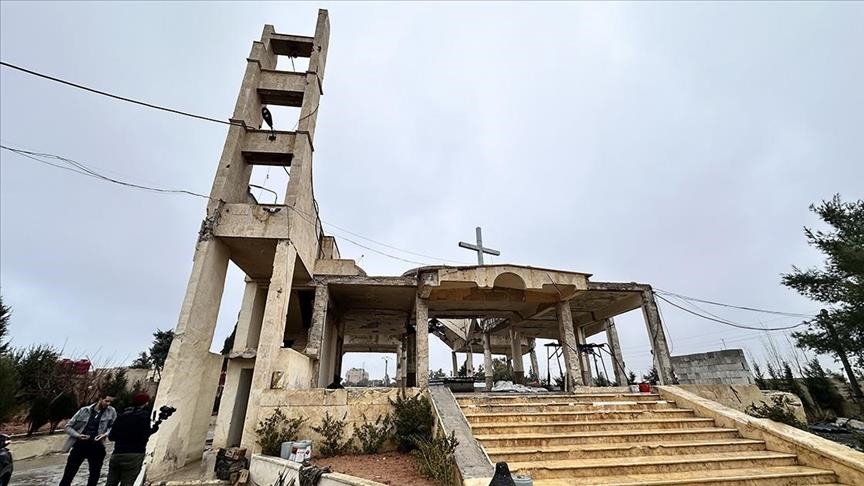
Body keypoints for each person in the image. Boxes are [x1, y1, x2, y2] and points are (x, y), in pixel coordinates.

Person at [59, 393, 116, 486]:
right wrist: (78, 435)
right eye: (107, 401)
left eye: (110, 402)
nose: (108, 404)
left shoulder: (111, 411)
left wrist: (104, 434)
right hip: (80, 445)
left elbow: (113, 427)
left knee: (94, 474)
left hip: (97, 446)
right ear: (100, 399)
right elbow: (68, 427)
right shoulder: (84, 410)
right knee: (69, 473)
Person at [106, 393, 159, 486]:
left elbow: (111, 436)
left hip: (117, 454)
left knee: (110, 483)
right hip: (134, 455)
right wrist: (153, 429)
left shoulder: (122, 415)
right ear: (145, 403)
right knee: (127, 483)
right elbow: (144, 435)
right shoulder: (144, 416)